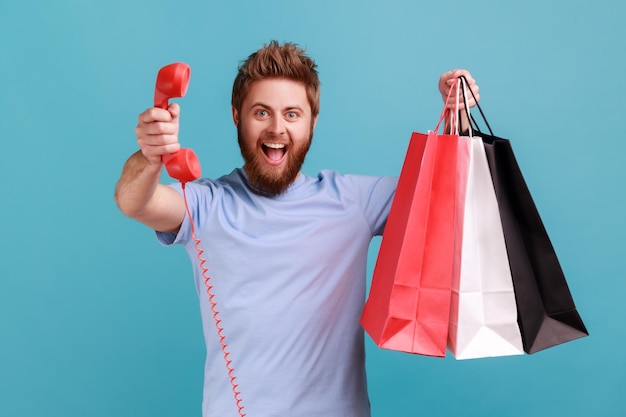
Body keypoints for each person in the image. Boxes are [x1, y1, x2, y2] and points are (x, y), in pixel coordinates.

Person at [114, 40, 479, 417]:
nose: (277, 129)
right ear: (237, 116)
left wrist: (458, 119)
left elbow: (449, 195)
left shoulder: (353, 200)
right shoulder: (207, 203)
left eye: (292, 114)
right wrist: (150, 155)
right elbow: (133, 200)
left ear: (312, 122)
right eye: (261, 112)